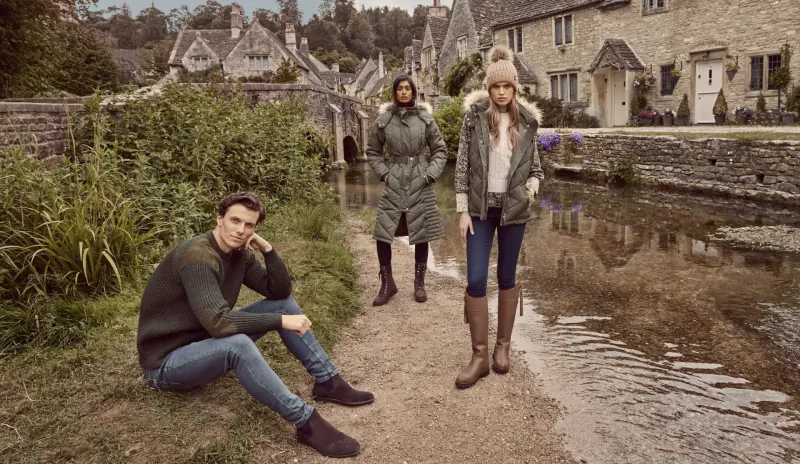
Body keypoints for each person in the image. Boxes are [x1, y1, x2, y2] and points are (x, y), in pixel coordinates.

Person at [136, 192, 373, 458]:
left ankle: (329, 382)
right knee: (238, 344)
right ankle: (307, 423)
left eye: (249, 225)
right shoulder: (199, 257)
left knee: (284, 305)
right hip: (165, 363)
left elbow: (279, 291)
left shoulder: (238, 253)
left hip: (202, 343)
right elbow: (218, 323)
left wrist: (267, 250)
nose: (240, 230)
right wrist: (280, 321)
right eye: (235, 221)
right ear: (220, 219)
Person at [453, 46, 544, 389]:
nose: (502, 92)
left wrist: (530, 190)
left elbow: (536, 169)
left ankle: (502, 347)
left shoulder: (528, 121)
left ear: (515, 87)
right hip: (480, 211)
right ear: (489, 88)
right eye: (496, 86)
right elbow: (462, 166)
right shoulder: (474, 118)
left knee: (507, 276)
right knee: (476, 279)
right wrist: (463, 210)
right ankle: (479, 357)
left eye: (507, 86)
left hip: (513, 212)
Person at [366, 74, 448, 306]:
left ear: (413, 91)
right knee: (383, 232)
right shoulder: (384, 120)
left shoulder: (425, 120)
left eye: (407, 88)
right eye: (399, 88)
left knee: (421, 231)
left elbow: (440, 151)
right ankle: (387, 284)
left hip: (420, 180)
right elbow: (372, 151)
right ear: (394, 92)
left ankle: (419, 284)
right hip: (394, 180)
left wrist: (429, 175)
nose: (403, 92)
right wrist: (385, 174)